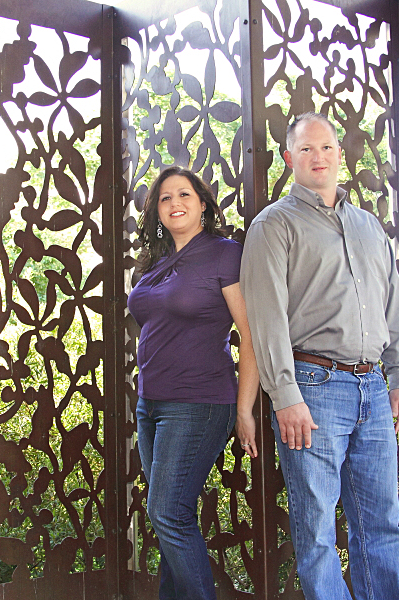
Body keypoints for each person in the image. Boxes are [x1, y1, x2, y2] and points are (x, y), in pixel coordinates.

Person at [240, 112, 399, 600]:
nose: (318, 156)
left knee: (382, 523)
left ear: (340, 154)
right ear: (289, 157)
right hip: (312, 390)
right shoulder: (273, 225)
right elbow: (266, 318)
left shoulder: (369, 227)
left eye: (327, 147)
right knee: (317, 530)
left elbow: (394, 305)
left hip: (374, 389)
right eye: (307, 148)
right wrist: (285, 395)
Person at [128, 165, 260, 600]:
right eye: (165, 198)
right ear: (156, 211)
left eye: (184, 194)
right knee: (171, 517)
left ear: (202, 204)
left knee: (167, 513)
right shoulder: (155, 261)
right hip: (151, 404)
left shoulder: (224, 254)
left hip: (198, 403)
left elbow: (249, 335)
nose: (175, 203)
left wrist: (244, 409)